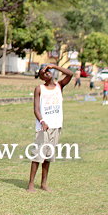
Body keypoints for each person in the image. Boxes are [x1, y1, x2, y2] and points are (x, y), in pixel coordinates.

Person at [27, 63, 73, 192]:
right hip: (43, 128)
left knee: (48, 157)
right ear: (41, 77)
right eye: (44, 72)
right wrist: (42, 121)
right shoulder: (39, 89)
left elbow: (70, 74)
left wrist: (54, 66)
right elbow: (36, 109)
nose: (47, 73)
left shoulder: (59, 86)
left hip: (56, 126)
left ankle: (44, 184)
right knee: (38, 156)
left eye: (48, 71)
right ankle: (31, 184)